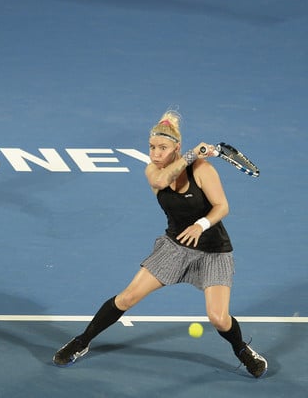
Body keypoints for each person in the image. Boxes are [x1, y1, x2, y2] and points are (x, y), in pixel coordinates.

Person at [52, 109, 268, 378]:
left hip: (214, 250)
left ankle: (242, 351)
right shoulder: (153, 172)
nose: (155, 153)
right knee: (127, 296)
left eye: (163, 148)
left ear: (176, 146)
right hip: (175, 248)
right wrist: (190, 154)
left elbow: (222, 206)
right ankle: (81, 342)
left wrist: (200, 224)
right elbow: (164, 179)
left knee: (218, 318)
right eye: (152, 147)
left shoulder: (203, 170)